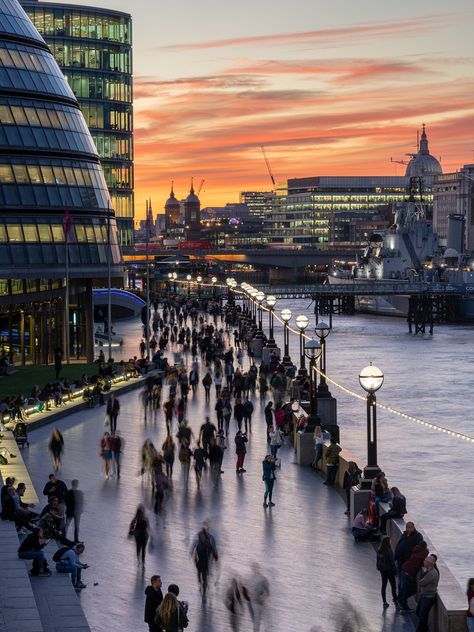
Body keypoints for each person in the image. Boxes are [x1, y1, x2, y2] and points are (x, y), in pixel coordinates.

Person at [399, 540, 429, 612]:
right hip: (409, 573)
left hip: (404, 569)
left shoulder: (416, 549)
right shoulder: (423, 553)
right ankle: (402, 603)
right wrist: (427, 551)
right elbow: (424, 559)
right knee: (413, 589)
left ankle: (402, 603)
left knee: (405, 589)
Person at [394, 522, 423, 595]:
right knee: (400, 581)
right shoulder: (404, 534)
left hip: (407, 563)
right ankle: (400, 597)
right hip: (400, 561)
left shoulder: (418, 536)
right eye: (407, 527)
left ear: (414, 527)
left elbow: (419, 550)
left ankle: (402, 600)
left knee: (404, 583)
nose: (408, 529)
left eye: (410, 527)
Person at [191, 526, 218, 601]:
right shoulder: (199, 541)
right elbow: (194, 547)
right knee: (200, 574)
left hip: (204, 562)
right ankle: (201, 586)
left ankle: (204, 589)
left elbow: (213, 550)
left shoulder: (207, 543)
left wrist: (215, 556)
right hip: (200, 561)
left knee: (204, 576)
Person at [415, 555, 439, 631]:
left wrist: (421, 581)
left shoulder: (432, 573)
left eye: (425, 561)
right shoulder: (428, 570)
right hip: (424, 595)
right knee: (419, 612)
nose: (423, 562)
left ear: (429, 563)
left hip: (429, 597)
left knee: (422, 617)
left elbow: (421, 582)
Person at [376, 536, 398, 608]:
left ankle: (384, 602)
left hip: (383, 570)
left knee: (384, 585)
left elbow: (378, 561)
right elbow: (392, 562)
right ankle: (395, 599)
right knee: (393, 586)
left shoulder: (379, 550)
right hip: (390, 570)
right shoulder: (389, 550)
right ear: (388, 542)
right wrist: (395, 571)